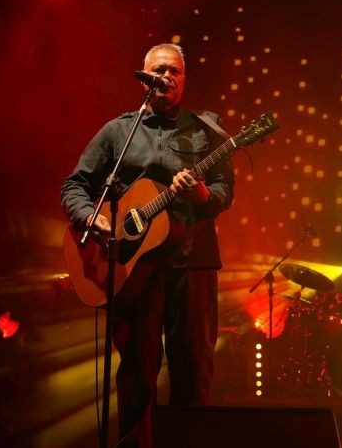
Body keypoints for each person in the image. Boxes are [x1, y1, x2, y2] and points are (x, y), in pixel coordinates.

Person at [61, 44, 235, 446]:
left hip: (192, 265)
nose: (166, 77)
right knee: (137, 375)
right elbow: (75, 185)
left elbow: (224, 191)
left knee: (193, 372)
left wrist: (202, 194)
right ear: (144, 78)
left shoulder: (207, 130)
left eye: (174, 71)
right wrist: (88, 216)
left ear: (184, 80)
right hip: (133, 269)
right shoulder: (118, 132)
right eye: (158, 70)